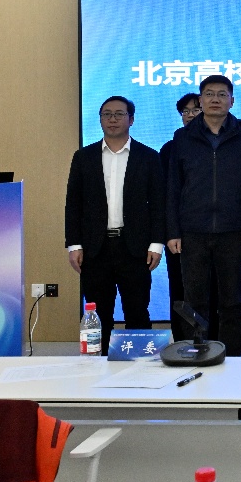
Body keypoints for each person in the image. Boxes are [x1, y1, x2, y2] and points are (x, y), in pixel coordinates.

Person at [166, 75, 241, 356]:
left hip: (234, 230)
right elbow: (173, 187)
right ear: (201, 100)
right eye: (209, 94)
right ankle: (195, 352)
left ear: (232, 100)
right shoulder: (183, 137)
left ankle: (231, 357)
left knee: (231, 300)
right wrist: (173, 231)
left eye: (222, 94)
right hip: (192, 231)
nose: (215, 99)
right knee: (194, 300)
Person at [65, 96, 165, 355]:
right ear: (100, 120)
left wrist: (156, 244)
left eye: (119, 114)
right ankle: (97, 365)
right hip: (95, 248)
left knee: (137, 310)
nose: (112, 119)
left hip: (135, 248)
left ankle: (140, 365)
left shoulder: (148, 157)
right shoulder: (84, 157)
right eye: (106, 114)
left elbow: (158, 204)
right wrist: (74, 245)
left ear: (131, 119)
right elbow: (73, 203)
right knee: (98, 314)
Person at [160, 92, 207, 342]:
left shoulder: (217, 145)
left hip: (211, 232)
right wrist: (170, 232)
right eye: (185, 111)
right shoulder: (170, 148)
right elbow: (166, 195)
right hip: (178, 233)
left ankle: (210, 340)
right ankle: (181, 341)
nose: (190, 115)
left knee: (210, 291)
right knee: (179, 289)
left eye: (195, 110)